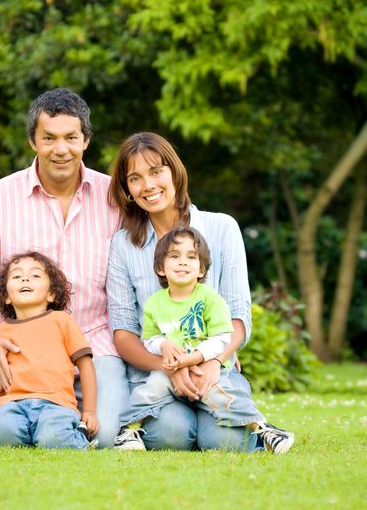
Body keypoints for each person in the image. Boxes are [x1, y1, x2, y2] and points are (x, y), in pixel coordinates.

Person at [0, 88, 129, 447]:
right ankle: (42, 419)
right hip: (21, 353)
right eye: (49, 138)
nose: (61, 149)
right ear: (33, 141)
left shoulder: (115, 199)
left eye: (71, 138)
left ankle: (59, 417)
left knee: (102, 435)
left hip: (96, 347)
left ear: (85, 140)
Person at [106, 132, 294, 452]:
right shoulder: (123, 245)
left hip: (213, 368)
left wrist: (214, 360)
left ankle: (245, 426)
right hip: (157, 373)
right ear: (127, 189)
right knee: (171, 436)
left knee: (224, 441)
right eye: (135, 178)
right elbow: (123, 332)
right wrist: (170, 368)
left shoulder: (222, 228)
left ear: (175, 172)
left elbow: (238, 316)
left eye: (156, 172)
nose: (148, 185)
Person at [114, 227, 294, 454]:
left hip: (206, 370)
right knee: (150, 389)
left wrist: (194, 359)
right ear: (160, 268)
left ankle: (263, 429)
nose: (182, 262)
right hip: (173, 372)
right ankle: (129, 430)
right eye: (174, 256)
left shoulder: (211, 299)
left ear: (201, 269)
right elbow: (150, 338)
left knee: (226, 399)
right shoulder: (154, 304)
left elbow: (221, 338)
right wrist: (164, 345)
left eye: (191, 257)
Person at [0, 251, 98, 449]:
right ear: (6, 297)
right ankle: (30, 437)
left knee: (52, 437)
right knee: (5, 434)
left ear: (51, 294)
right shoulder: (1, 331)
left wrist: (88, 410)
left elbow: (86, 365)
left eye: (35, 275)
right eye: (17, 276)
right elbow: (6, 369)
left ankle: (78, 437)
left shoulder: (61, 321)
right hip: (13, 403)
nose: (25, 278)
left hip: (55, 403)